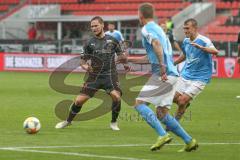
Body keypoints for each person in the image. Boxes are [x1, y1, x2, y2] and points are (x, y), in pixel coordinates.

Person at [129, 3, 198, 152]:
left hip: (163, 74)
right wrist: (128, 59)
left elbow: (157, 44)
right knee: (161, 113)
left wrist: (161, 66)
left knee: (139, 103)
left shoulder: (147, 29)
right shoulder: (159, 29)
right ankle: (189, 141)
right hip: (173, 75)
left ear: (141, 15)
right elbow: (152, 54)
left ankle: (162, 135)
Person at [55, 16, 129, 131]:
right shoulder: (89, 43)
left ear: (102, 25)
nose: (94, 28)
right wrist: (85, 67)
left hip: (110, 75)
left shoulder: (113, 40)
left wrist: (125, 63)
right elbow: (82, 62)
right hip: (94, 77)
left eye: (96, 25)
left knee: (116, 97)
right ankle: (68, 121)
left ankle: (114, 122)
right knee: (79, 101)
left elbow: (121, 56)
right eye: (92, 26)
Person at [173, 18, 219, 121]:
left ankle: (174, 123)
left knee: (182, 101)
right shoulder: (186, 41)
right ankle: (185, 104)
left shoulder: (204, 41)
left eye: (187, 28)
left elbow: (216, 51)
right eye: (184, 28)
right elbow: (185, 55)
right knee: (173, 98)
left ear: (195, 28)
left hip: (200, 77)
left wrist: (202, 48)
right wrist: (173, 64)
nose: (185, 31)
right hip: (186, 75)